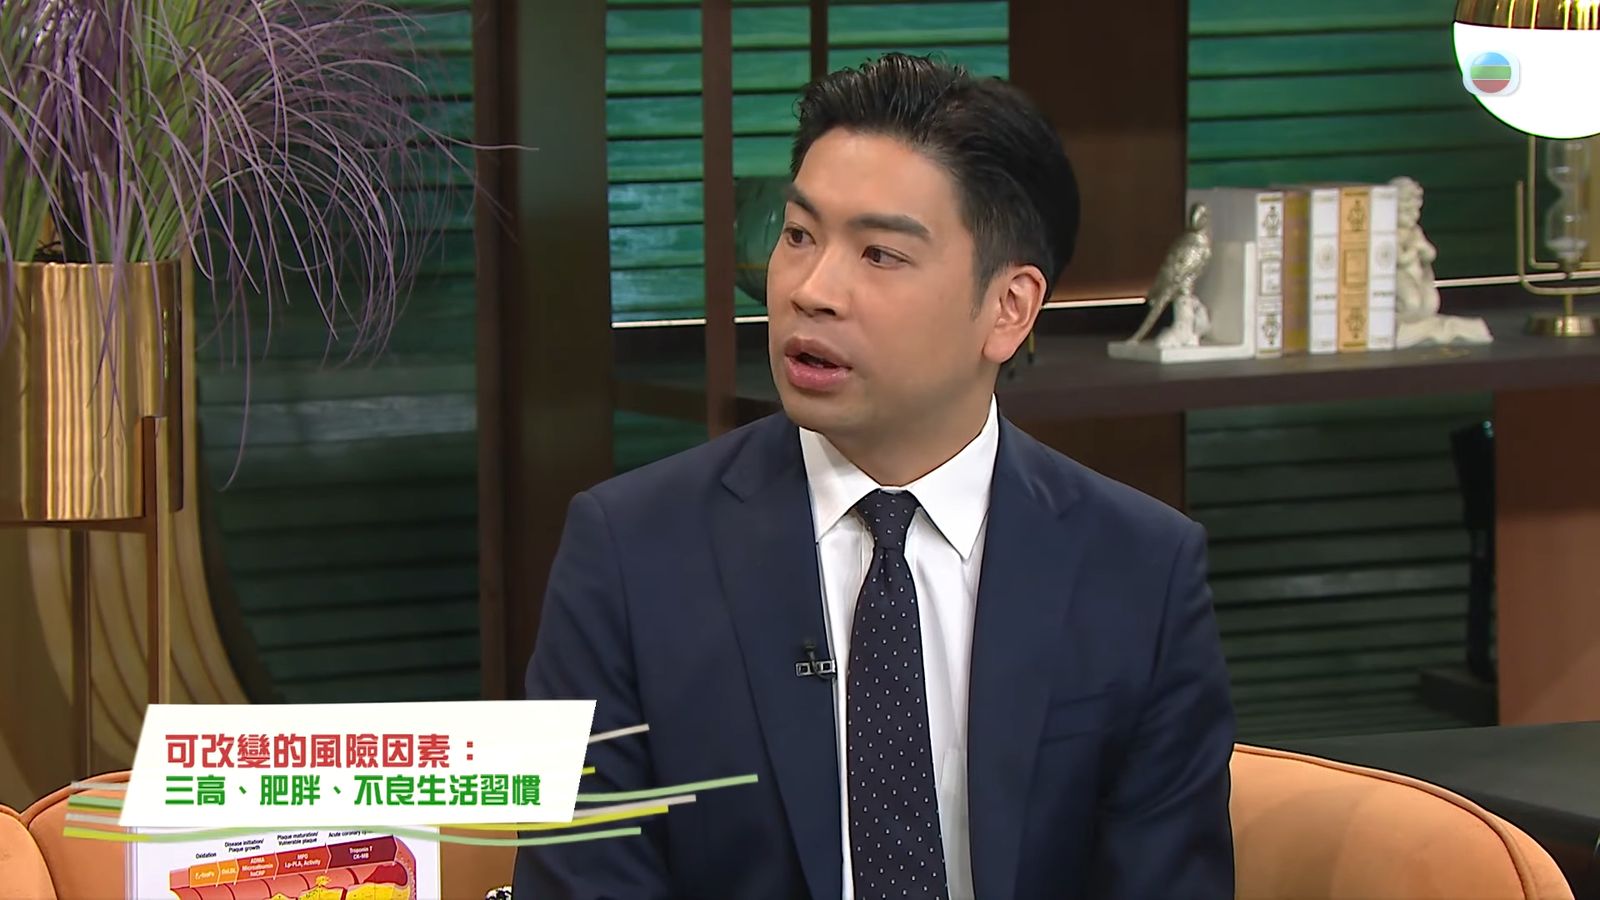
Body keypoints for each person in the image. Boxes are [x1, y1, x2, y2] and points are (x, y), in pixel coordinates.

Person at [514, 53, 1236, 900]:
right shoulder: (631, 553)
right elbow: (584, 878)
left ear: (1008, 309)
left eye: (881, 254)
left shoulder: (1141, 569)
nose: (812, 290)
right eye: (798, 235)